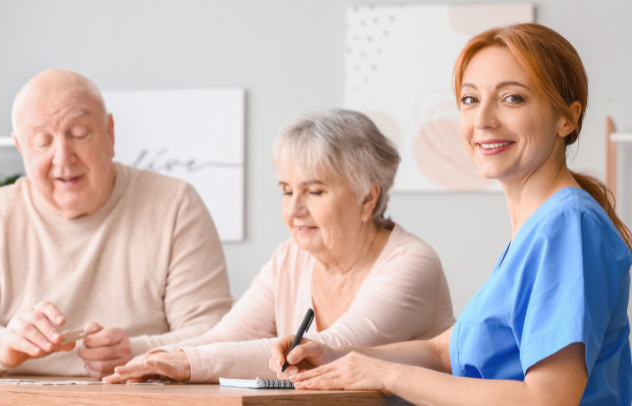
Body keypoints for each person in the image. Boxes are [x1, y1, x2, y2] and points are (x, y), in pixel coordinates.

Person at [270, 23, 632, 406]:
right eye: (470, 99)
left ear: (567, 119)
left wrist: (387, 374)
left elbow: (548, 399)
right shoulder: (535, 232)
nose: (483, 120)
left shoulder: (567, 225)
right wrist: (339, 356)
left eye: (512, 98)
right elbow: (444, 353)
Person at [0, 69, 234, 379]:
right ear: (20, 147)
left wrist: (138, 353)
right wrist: (3, 346)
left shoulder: (174, 205)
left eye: (79, 135)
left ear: (110, 133)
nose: (63, 157)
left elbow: (217, 334)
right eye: (42, 141)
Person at [104, 109, 456, 384]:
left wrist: (187, 362)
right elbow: (225, 337)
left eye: (315, 191)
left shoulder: (412, 263)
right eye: (287, 191)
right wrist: (145, 358)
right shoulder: (290, 256)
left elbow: (325, 350)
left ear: (368, 198)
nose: (294, 209)